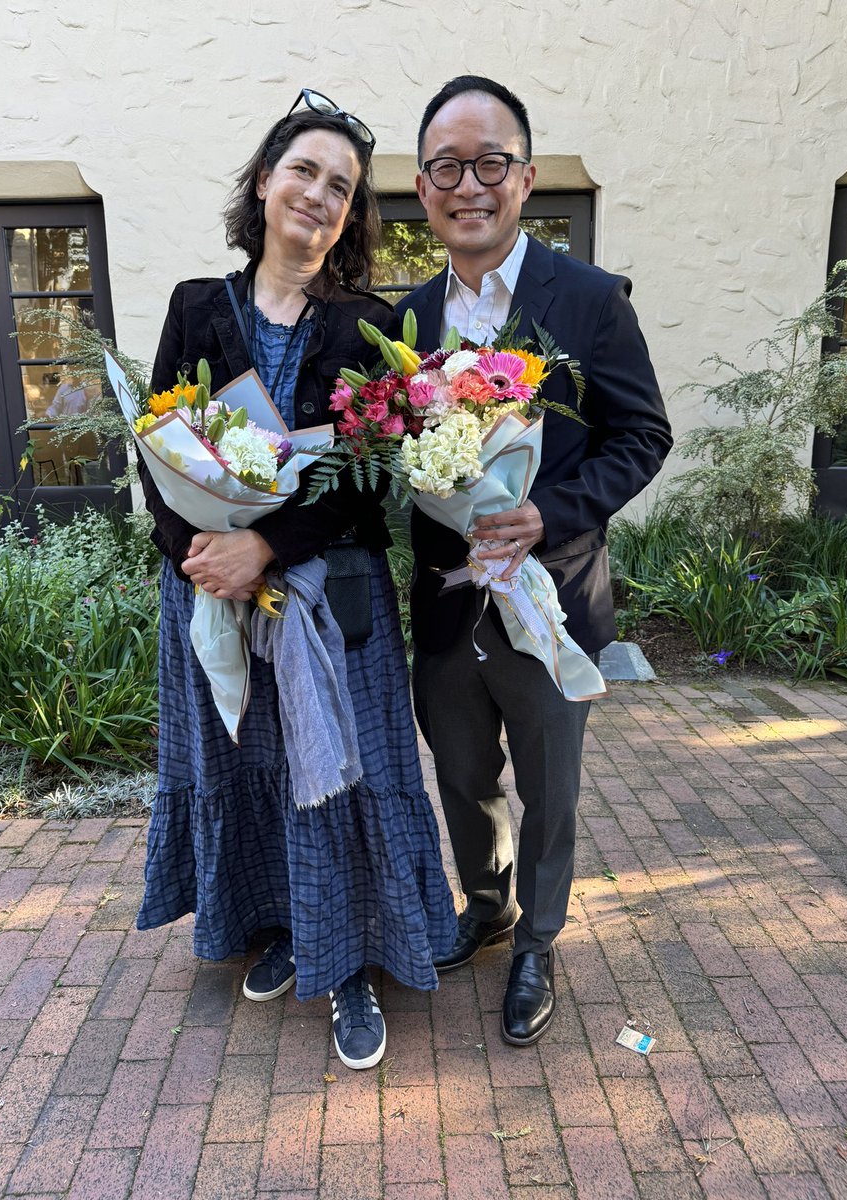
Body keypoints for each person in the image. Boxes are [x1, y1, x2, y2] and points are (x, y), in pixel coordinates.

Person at [136, 89, 457, 1071]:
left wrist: (264, 547)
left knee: (341, 776)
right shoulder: (198, 304)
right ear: (267, 182)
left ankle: (354, 959)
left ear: (352, 214)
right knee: (255, 764)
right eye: (304, 172)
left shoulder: (372, 325)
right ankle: (280, 919)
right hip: (211, 592)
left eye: (341, 187)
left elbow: (369, 489)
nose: (318, 196)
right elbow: (161, 446)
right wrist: (197, 553)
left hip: (330, 596)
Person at [396, 76, 672, 1046]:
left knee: (550, 791)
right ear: (423, 186)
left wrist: (548, 513)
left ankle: (539, 943)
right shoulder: (407, 320)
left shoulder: (591, 302)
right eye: (445, 167)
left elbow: (640, 436)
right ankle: (490, 907)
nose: (467, 184)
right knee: (463, 777)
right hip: (445, 608)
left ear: (526, 176)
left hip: (549, 603)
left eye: (488, 163)